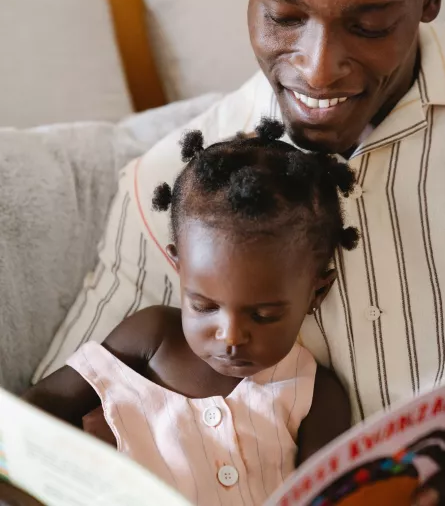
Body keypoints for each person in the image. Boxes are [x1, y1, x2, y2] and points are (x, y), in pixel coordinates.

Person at [5, 0, 445, 504]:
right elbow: (47, 437)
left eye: (368, 25)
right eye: (285, 16)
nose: (318, 71)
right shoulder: (176, 188)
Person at [19, 120, 354, 505]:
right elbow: (40, 406)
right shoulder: (151, 338)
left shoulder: (316, 392)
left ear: (318, 291)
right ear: (178, 267)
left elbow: (329, 496)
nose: (230, 336)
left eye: (263, 315)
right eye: (204, 306)